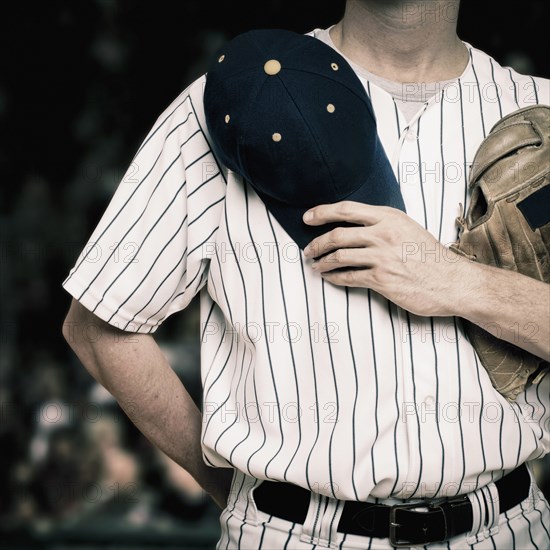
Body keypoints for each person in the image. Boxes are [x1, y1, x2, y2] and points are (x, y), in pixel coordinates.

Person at [62, 1, 550, 548]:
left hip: (509, 528)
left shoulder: (540, 111)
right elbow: (100, 326)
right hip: (293, 534)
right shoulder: (233, 99)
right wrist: (242, 499)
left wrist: (458, 282)